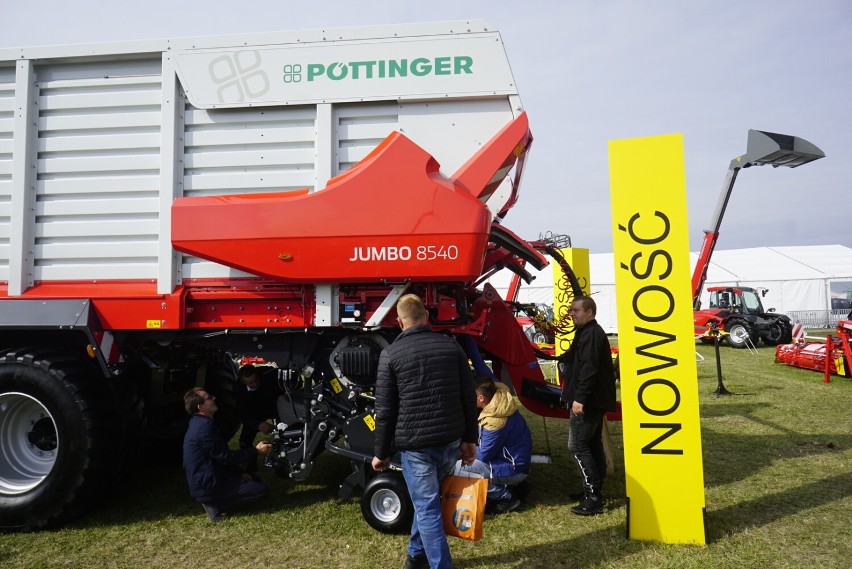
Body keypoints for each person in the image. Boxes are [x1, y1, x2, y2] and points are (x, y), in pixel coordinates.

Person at [371, 293, 479, 569]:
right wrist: (470, 439)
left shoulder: (390, 354)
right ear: (426, 317)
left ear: (399, 321)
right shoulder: (452, 348)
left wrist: (380, 453)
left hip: (416, 446)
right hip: (449, 439)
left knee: (427, 507)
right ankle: (416, 555)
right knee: (428, 503)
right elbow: (468, 397)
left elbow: (385, 411)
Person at [558, 295, 617, 516]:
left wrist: (580, 398)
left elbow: (589, 369)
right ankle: (593, 490)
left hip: (589, 401)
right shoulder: (587, 332)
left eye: (575, 310)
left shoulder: (592, 333)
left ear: (589, 312)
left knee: (578, 446)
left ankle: (593, 496)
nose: (571, 313)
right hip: (593, 399)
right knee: (592, 444)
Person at [182, 387, 273, 521]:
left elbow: (219, 456)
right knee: (260, 491)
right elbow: (226, 457)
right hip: (208, 485)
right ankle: (214, 504)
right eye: (209, 398)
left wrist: (240, 473)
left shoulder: (200, 423)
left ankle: (216, 498)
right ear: (200, 406)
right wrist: (256, 451)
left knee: (254, 480)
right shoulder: (204, 428)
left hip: (208, 477)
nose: (214, 398)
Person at [462, 374, 532, 514]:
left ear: (481, 398)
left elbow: (482, 455)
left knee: (460, 468)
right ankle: (515, 485)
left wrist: (461, 448)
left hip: (514, 467)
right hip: (517, 460)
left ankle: (507, 497)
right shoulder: (500, 396)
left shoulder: (495, 421)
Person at [235, 364, 279, 473]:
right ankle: (251, 465)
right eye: (250, 383)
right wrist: (258, 424)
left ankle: (281, 462)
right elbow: (243, 412)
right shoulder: (238, 389)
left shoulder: (268, 375)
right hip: (254, 412)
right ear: (243, 383)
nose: (254, 384)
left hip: (275, 406)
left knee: (283, 435)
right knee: (244, 441)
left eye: (256, 380)